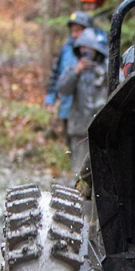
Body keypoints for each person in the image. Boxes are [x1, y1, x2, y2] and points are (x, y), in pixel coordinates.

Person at [57, 28, 107, 174]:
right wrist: (76, 72)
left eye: (88, 48)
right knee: (79, 171)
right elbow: (63, 89)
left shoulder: (106, 67)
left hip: (101, 128)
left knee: (101, 171)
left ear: (95, 49)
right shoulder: (73, 68)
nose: (85, 51)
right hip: (80, 129)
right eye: (82, 48)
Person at [44, 11, 92, 139]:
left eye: (78, 30)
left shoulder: (95, 49)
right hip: (67, 106)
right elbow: (56, 73)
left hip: (87, 109)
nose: (75, 34)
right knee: (70, 143)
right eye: (73, 31)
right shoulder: (66, 48)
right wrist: (50, 98)